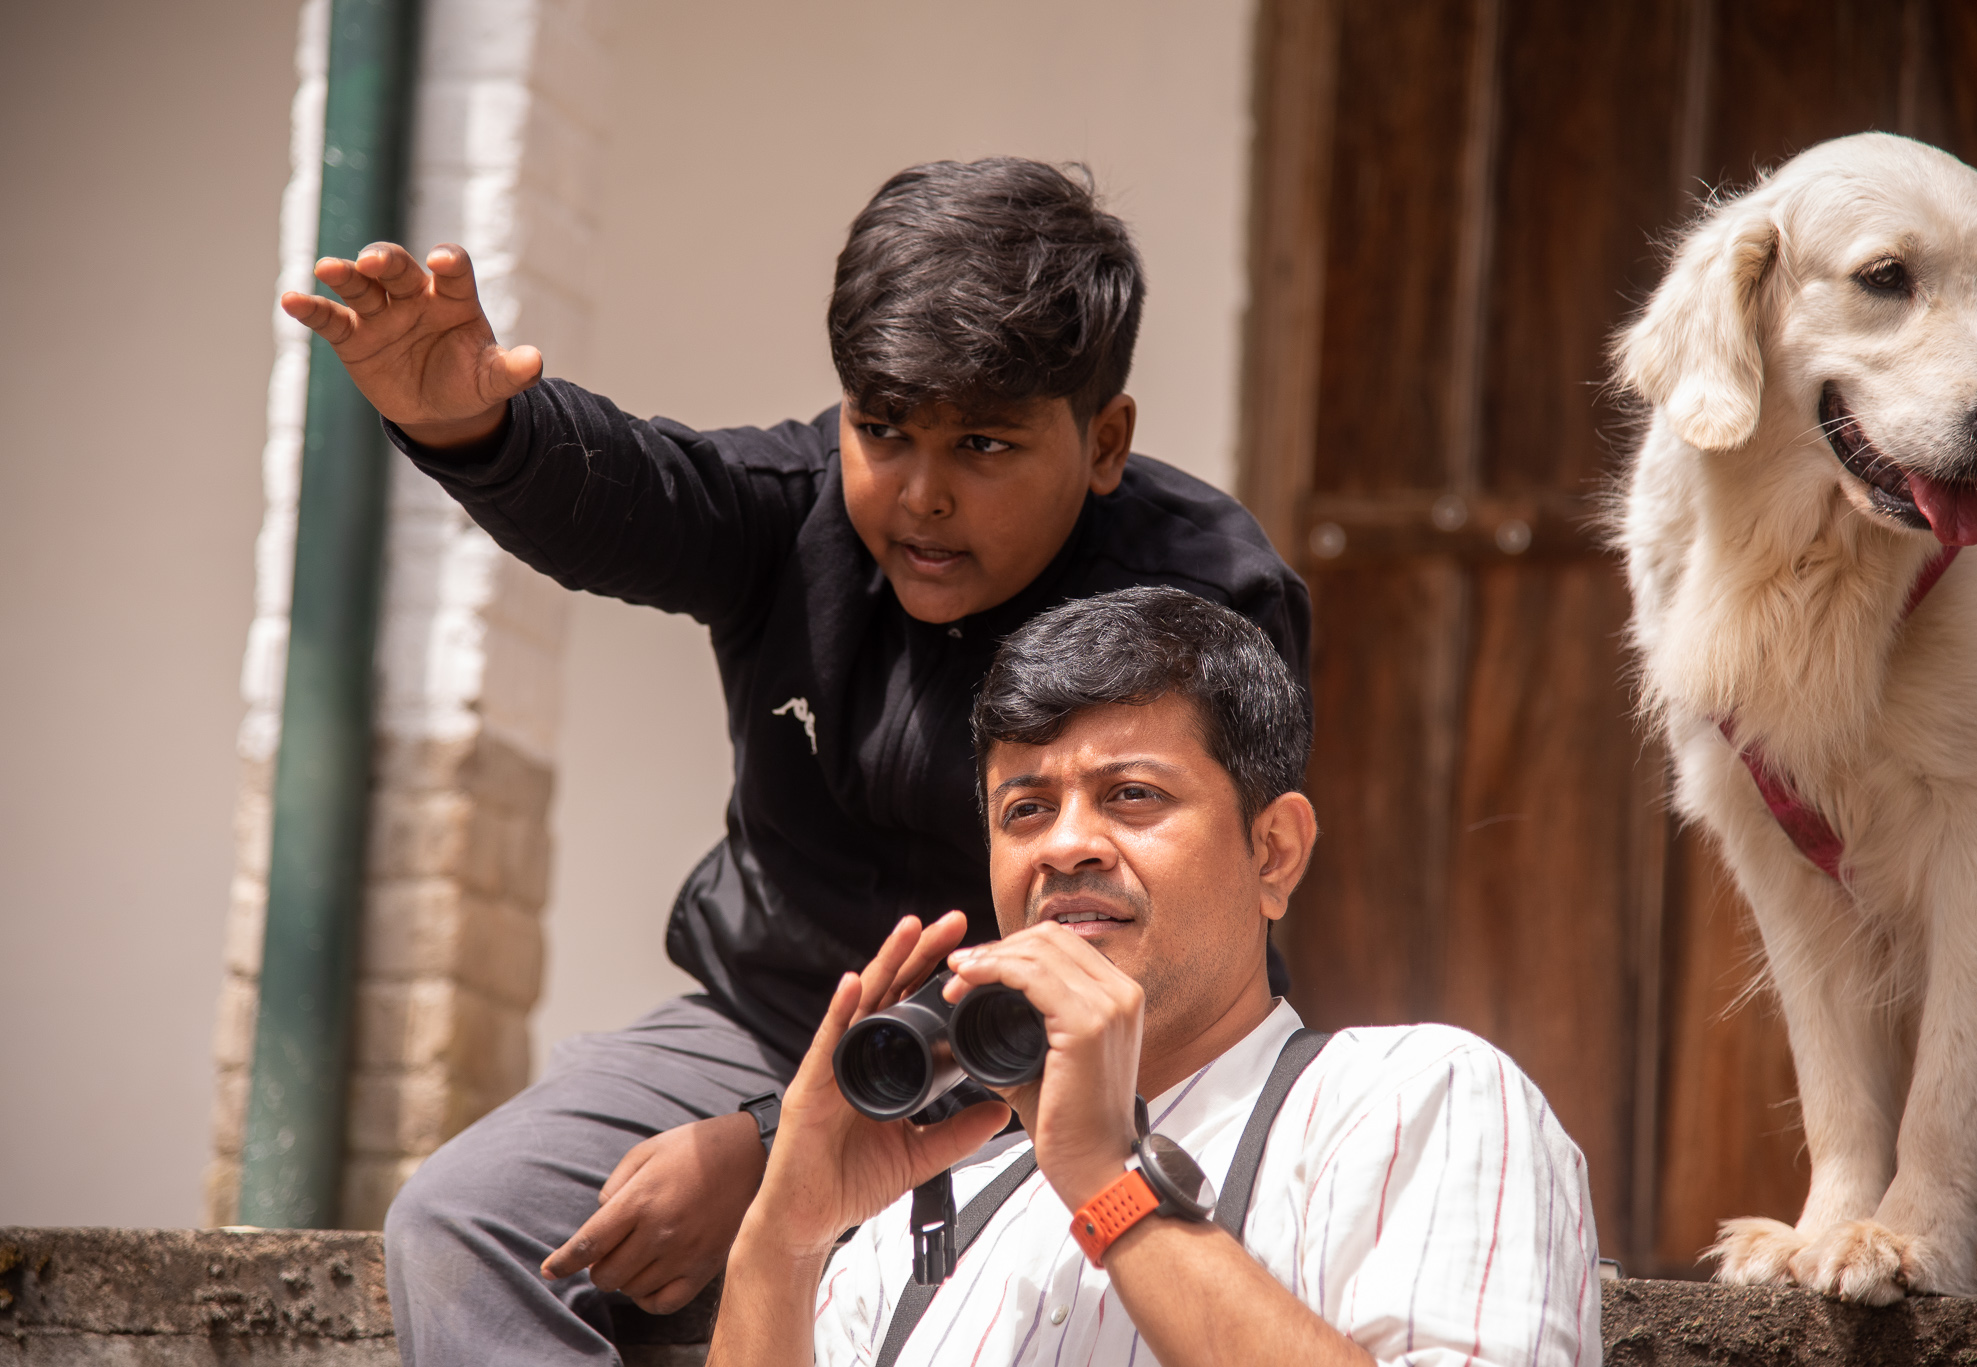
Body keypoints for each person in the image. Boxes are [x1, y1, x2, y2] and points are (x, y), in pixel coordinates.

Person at [278, 159, 1311, 1364]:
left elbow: (1150, 942)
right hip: (767, 1025)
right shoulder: (796, 509)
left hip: (1090, 1062)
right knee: (463, 1221)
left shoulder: (1198, 602)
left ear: (1103, 441)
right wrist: (469, 423)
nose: (921, 495)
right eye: (882, 431)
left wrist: (769, 1148)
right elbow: (642, 487)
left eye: (982, 443)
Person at [709, 587, 1602, 1367]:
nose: (1066, 845)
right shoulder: (922, 1228)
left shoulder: (1413, 1099)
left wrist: (1110, 1183)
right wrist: (785, 1239)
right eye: (1026, 808)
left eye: (1132, 794)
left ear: (1273, 852)